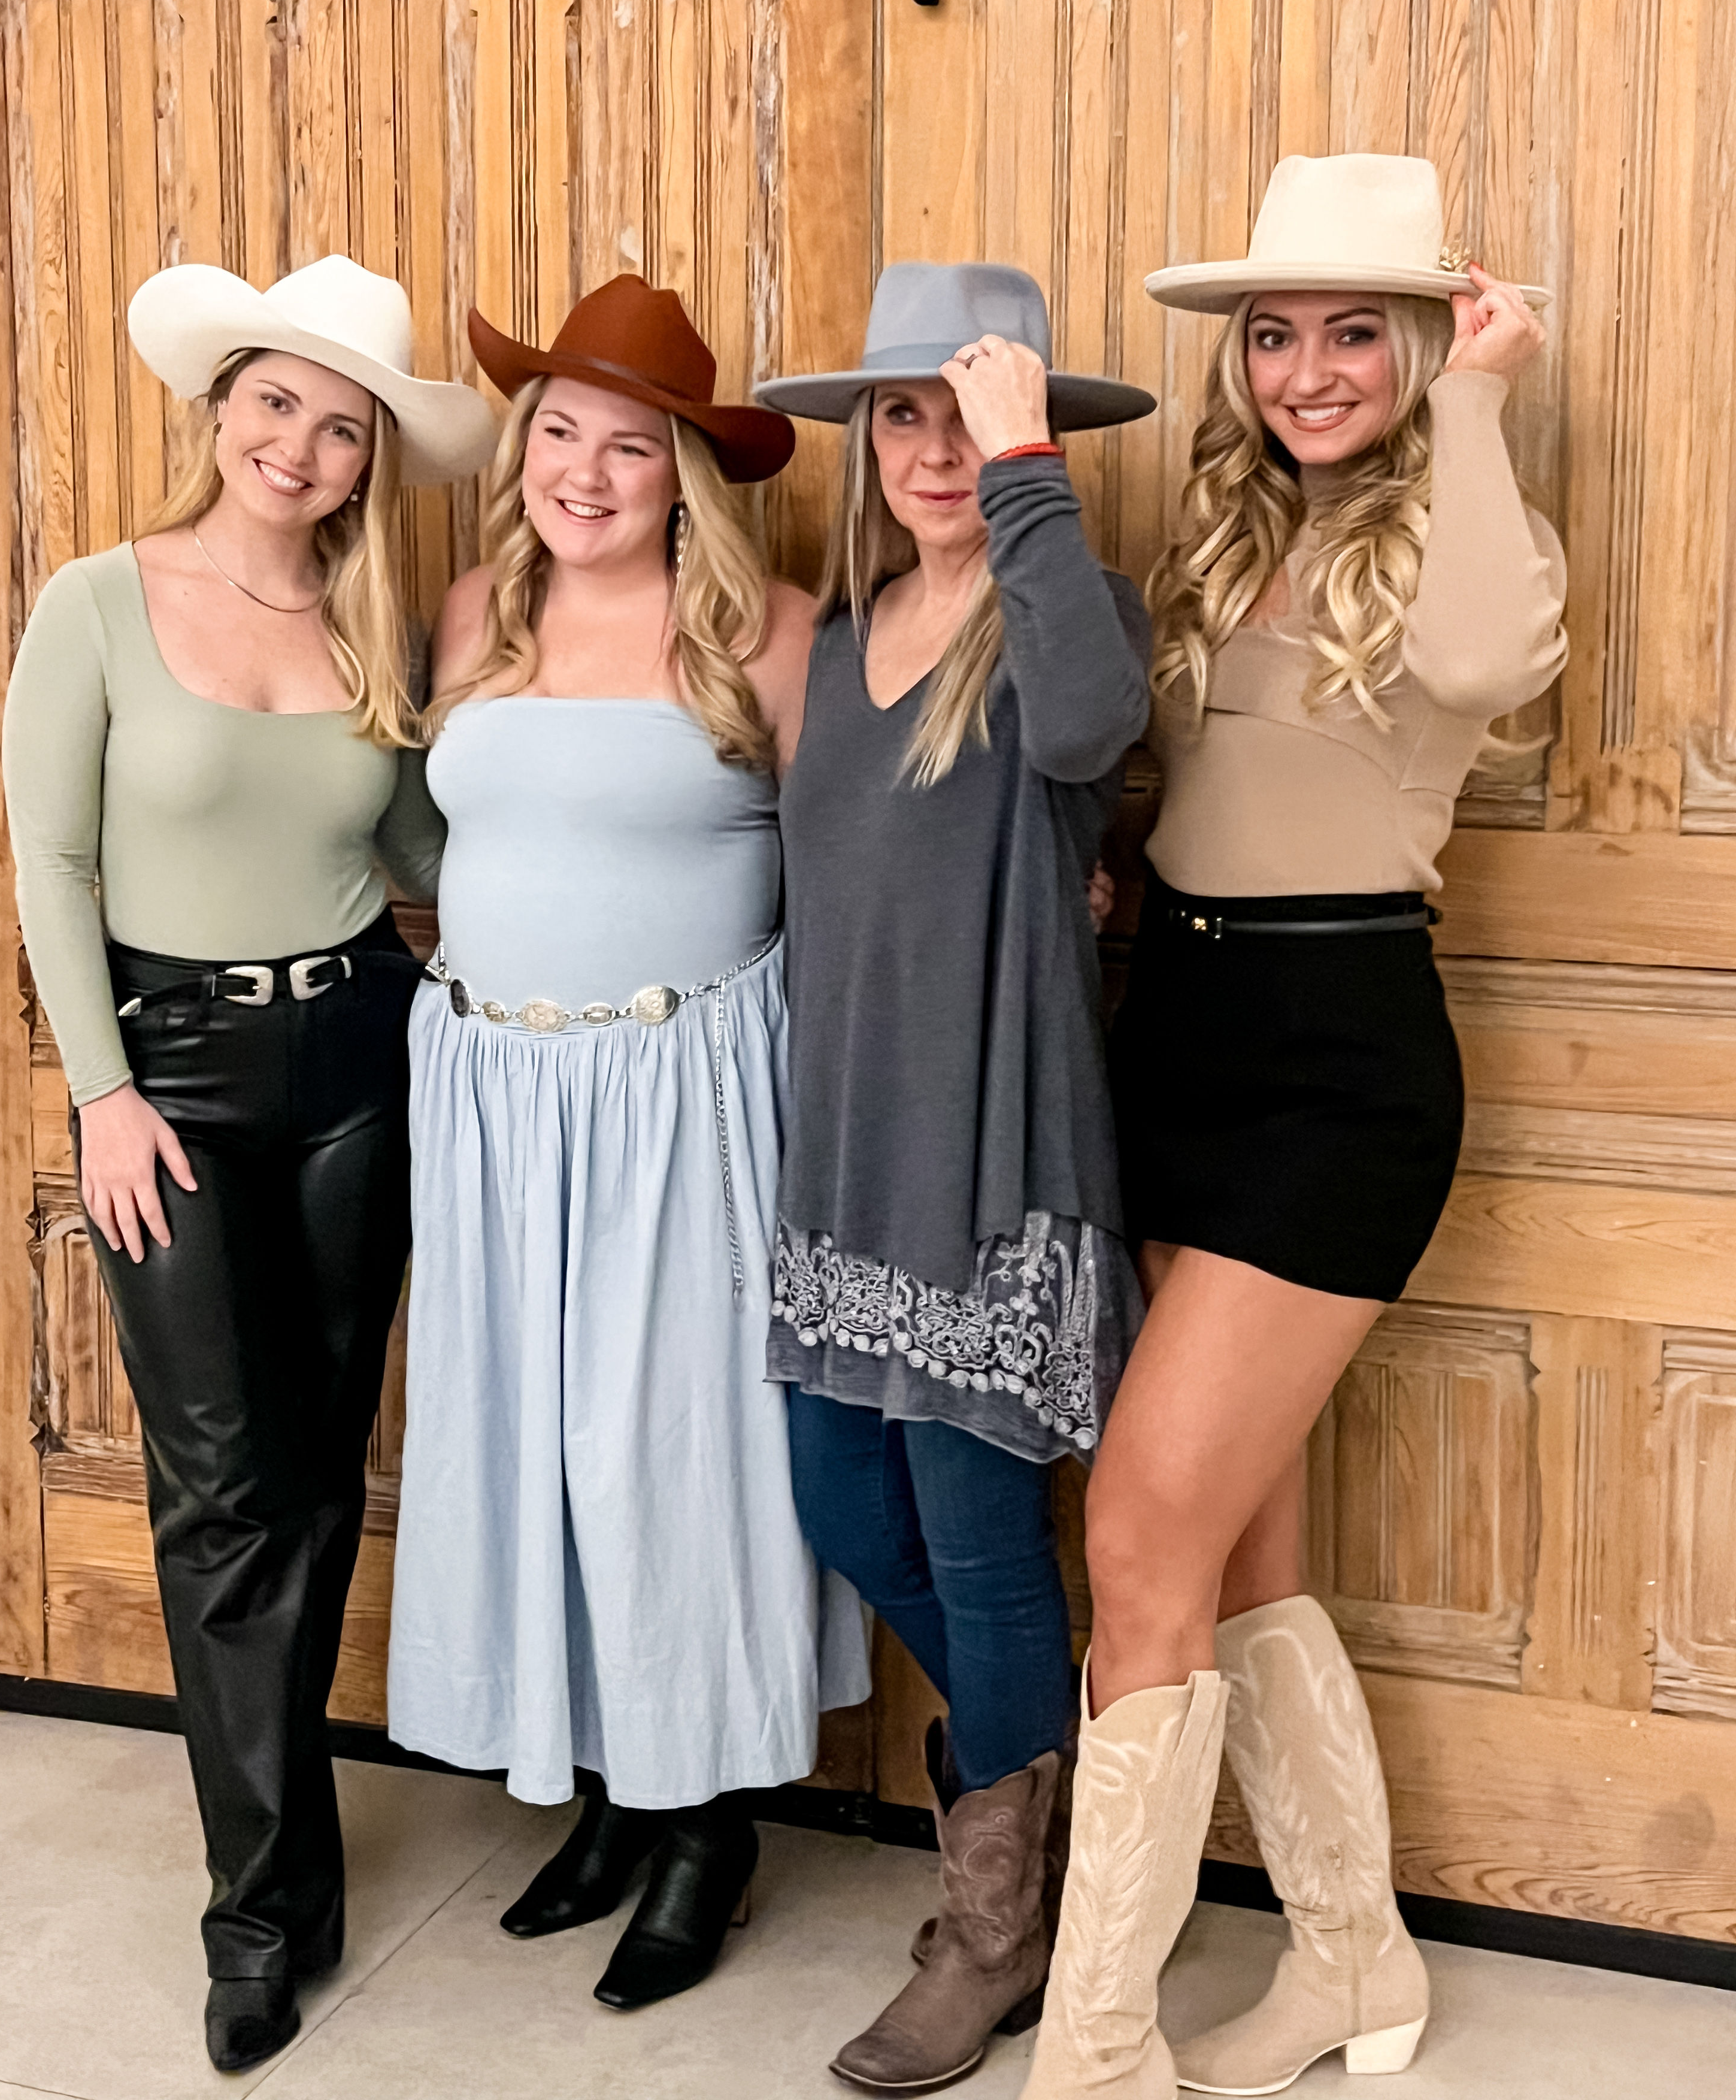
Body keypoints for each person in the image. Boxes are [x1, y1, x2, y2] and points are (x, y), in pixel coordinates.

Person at [1024, 153, 1568, 2099]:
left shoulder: (1466, 524)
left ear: (1419, 346)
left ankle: (1095, 2053)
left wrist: (1483, 396)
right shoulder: (1227, 532)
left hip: (1340, 1067)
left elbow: (1488, 672)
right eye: (1274, 334)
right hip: (1175, 1031)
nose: (1309, 371)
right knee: (1230, 1547)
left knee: (1135, 1537)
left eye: (1357, 333)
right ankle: (1350, 1956)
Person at [1, 255, 496, 2073]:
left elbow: (434, 851)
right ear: (222, 411)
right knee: (222, 1484)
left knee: (318, 1472)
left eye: (343, 427)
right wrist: (103, 1095)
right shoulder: (98, 602)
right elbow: (52, 864)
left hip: (364, 1057)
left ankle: (287, 1857)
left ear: (370, 462)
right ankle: (262, 1911)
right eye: (276, 403)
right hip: (177, 1084)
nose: (301, 445)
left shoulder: (376, 633)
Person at [386, 274, 868, 2013]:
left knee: (675, 1447)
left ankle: (705, 1824)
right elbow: (432, 844)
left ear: (689, 477)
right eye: (560, 435)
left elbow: (857, 878)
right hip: (498, 1102)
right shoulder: (473, 618)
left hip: (690, 1098)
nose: (584, 474)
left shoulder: (775, 636)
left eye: (631, 448)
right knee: (535, 1437)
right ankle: (604, 1788)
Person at [754, 262, 1153, 2094]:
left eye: (966, 413)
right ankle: (1042, 1794)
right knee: (850, 1511)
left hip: (991, 1161)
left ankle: (993, 1927)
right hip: (846, 1161)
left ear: (1027, 432)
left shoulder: (1067, 603)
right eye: (900, 415)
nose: (930, 448)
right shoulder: (844, 641)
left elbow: (1083, 736)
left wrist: (1020, 470)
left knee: (987, 1550)